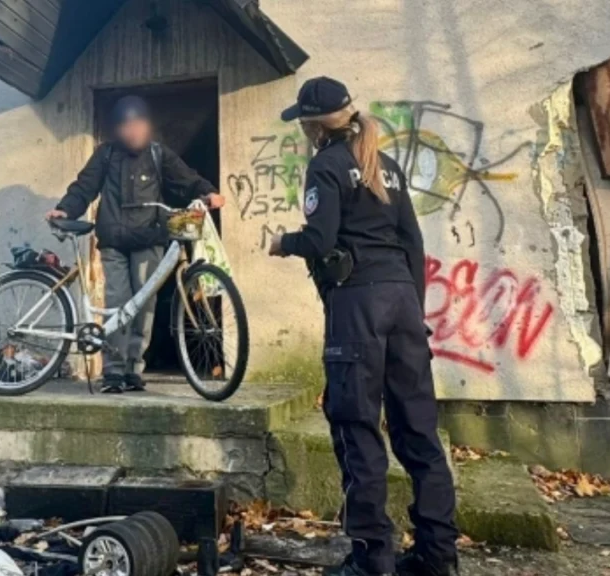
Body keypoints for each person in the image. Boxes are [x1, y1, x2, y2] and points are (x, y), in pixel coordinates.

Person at [268, 77, 459, 576]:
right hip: (402, 303)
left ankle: (372, 560)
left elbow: (319, 237)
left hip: (358, 305)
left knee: (357, 430)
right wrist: (414, 313)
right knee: (419, 431)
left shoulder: (326, 165)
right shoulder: (388, 167)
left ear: (313, 124)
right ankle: (439, 557)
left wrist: (283, 243)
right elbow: (413, 244)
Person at [46, 95, 225, 394]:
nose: (133, 131)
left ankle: (133, 370)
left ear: (148, 126)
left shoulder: (159, 155)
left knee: (144, 308)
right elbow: (84, 186)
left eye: (139, 124)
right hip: (114, 242)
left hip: (149, 239)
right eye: (127, 126)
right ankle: (113, 372)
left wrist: (208, 192)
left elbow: (187, 179)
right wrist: (66, 208)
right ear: (118, 129)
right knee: (118, 303)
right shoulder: (105, 155)